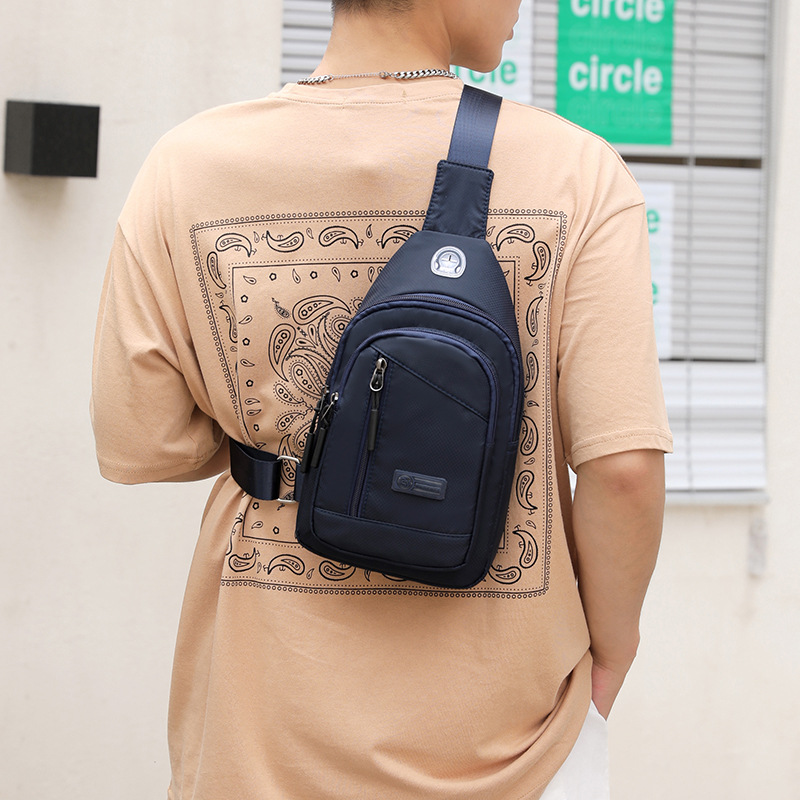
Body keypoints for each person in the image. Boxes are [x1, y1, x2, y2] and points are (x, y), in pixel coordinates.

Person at [91, 0, 672, 797]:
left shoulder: (186, 167)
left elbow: (141, 441)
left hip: (262, 725)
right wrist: (612, 654)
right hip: (516, 741)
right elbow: (624, 472)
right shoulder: (578, 172)